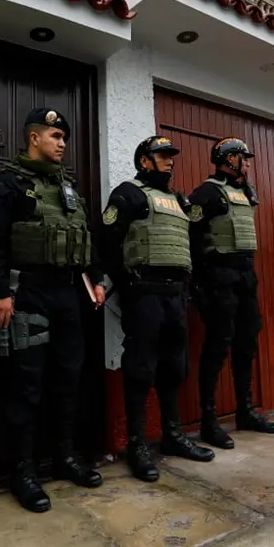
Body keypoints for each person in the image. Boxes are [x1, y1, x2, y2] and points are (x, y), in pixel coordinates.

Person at [0, 107, 107, 513]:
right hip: (28, 293)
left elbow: (85, 239)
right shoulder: (10, 185)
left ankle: (65, 457)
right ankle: (23, 472)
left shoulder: (69, 188)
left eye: (64, 137)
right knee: (26, 386)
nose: (62, 143)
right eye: (54, 136)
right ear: (34, 138)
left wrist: (99, 278)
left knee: (69, 379)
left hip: (69, 295)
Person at [98, 136, 216, 482]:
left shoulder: (178, 200)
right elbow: (107, 242)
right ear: (144, 161)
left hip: (176, 297)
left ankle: (173, 437)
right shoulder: (128, 194)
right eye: (162, 156)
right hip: (144, 295)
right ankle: (137, 445)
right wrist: (129, 283)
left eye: (170, 156)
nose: (170, 161)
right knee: (139, 370)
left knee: (174, 368)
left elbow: (188, 244)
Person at [188, 137, 274, 451]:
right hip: (219, 277)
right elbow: (190, 239)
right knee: (217, 348)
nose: (248, 163)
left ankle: (246, 412)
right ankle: (208, 422)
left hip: (245, 276)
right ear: (228, 159)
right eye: (244, 158)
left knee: (246, 345)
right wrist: (199, 286)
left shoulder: (242, 192)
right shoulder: (207, 193)